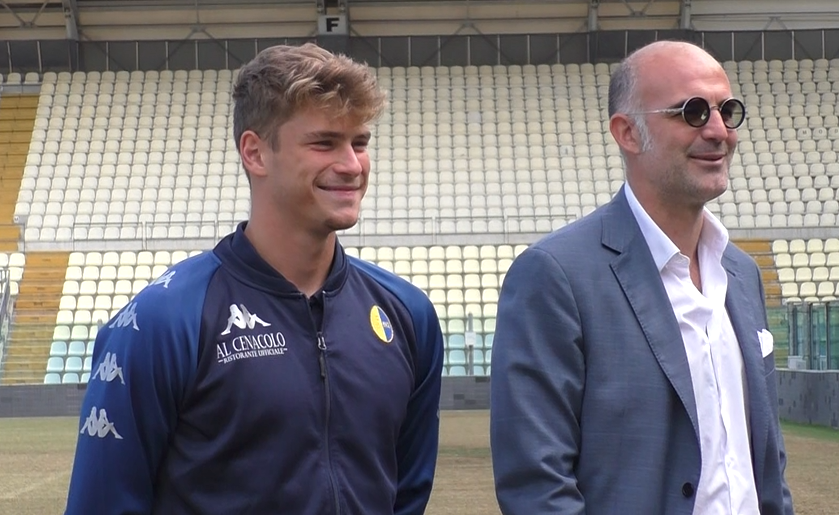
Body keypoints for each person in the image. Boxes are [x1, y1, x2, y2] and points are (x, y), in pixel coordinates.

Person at [65, 43, 444, 515]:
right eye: (324, 142)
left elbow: (405, 497)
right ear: (255, 153)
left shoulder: (407, 314)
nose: (352, 165)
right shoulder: (164, 320)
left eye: (360, 142)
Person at [490, 40, 794, 515]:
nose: (719, 131)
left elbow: (765, 461)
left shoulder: (741, 271)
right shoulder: (556, 275)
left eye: (727, 110)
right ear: (627, 132)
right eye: (692, 112)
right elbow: (537, 486)